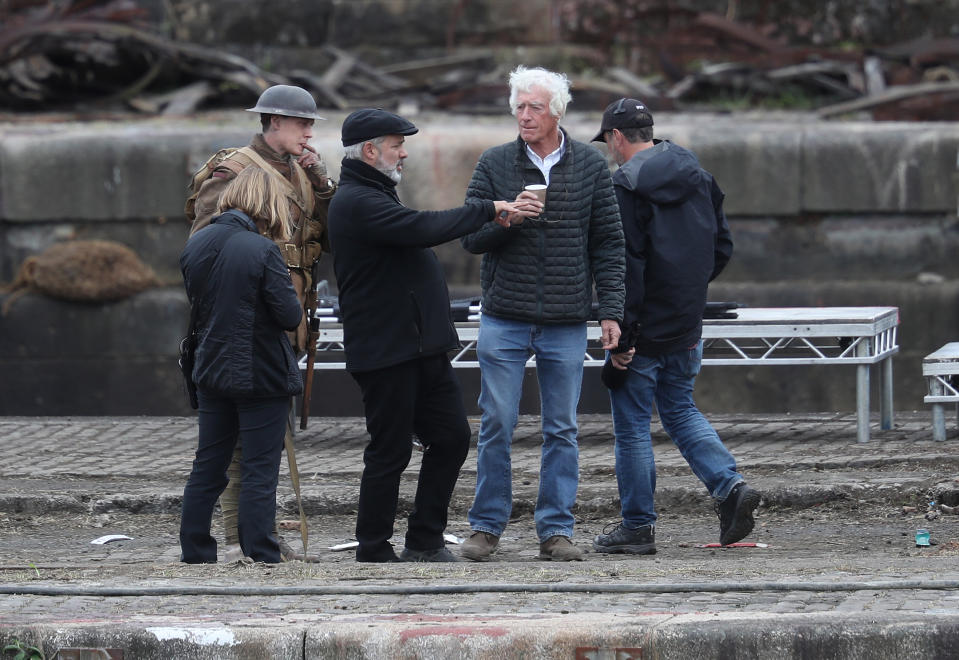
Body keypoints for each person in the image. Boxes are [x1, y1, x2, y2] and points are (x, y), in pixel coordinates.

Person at [327, 108, 531, 563]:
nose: (404, 153)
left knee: (452, 437)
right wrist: (487, 208)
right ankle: (373, 547)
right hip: (386, 352)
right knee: (390, 450)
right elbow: (421, 229)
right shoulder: (356, 200)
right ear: (369, 150)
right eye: (397, 144)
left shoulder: (377, 192)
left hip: (421, 348)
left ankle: (424, 539)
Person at [460, 66, 626, 562]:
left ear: (556, 112)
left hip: (566, 319)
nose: (525, 116)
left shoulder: (593, 168)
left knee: (562, 428)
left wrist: (610, 312)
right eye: (519, 107)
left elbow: (609, 245)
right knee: (497, 422)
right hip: (505, 315)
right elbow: (470, 237)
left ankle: (555, 530)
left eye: (534, 107)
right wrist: (504, 218)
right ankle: (486, 527)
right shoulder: (494, 163)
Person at [589, 98, 760, 555]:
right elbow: (721, 246)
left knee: (631, 428)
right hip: (686, 323)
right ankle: (729, 486)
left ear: (618, 137)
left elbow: (627, 264)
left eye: (608, 140)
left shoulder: (623, 186)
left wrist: (622, 330)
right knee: (681, 409)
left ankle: (637, 526)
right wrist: (689, 295)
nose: (609, 148)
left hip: (642, 328)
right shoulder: (699, 176)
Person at [187, 84, 334, 562]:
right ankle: (239, 541)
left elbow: (330, 237)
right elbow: (206, 253)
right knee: (238, 450)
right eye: (302, 124)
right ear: (273, 123)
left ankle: (255, 537)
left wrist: (324, 182)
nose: (310, 133)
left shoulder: (303, 171)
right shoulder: (234, 170)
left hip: (288, 319)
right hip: (244, 326)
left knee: (266, 439)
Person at [179, 167, 304, 564]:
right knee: (259, 467)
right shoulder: (262, 249)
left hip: (211, 369)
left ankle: (196, 550)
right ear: (268, 204)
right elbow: (288, 315)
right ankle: (261, 552)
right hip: (260, 372)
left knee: (209, 464)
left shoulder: (197, 244)